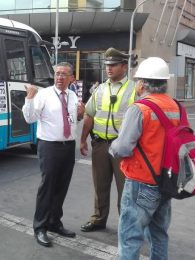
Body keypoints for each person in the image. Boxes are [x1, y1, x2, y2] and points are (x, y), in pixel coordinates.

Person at [109, 57, 180, 259]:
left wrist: (111, 148)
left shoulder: (140, 108)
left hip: (141, 182)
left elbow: (123, 147)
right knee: (159, 235)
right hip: (167, 181)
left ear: (142, 84)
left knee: (130, 237)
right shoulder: (176, 106)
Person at [23, 62, 85, 247]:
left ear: (71, 78)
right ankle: (40, 227)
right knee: (47, 187)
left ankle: (54, 223)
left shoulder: (73, 95)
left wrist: (81, 114)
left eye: (64, 74)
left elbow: (73, 119)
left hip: (68, 146)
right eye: (57, 73)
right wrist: (29, 99)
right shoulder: (44, 94)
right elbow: (30, 118)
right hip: (49, 146)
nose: (59, 77)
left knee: (62, 187)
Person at [79, 47, 136, 232]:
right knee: (100, 185)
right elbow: (89, 115)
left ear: (124, 66)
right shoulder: (100, 89)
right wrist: (82, 140)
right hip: (100, 145)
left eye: (113, 65)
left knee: (125, 189)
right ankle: (98, 219)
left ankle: (126, 224)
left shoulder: (134, 89)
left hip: (122, 148)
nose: (108, 68)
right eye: (107, 65)